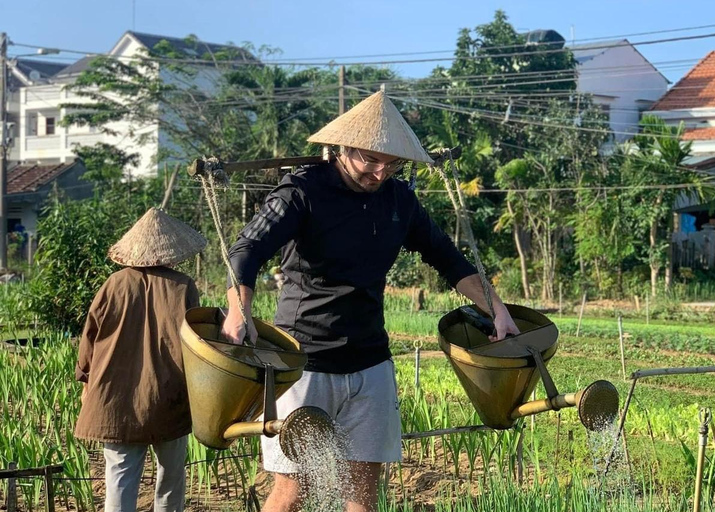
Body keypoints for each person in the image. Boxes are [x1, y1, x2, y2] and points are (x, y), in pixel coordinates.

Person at [222, 91, 519, 512]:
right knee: (294, 488)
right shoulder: (301, 192)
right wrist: (240, 311)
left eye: (392, 163)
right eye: (370, 160)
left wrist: (498, 309)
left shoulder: (399, 201)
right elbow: (246, 251)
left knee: (362, 493)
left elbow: (449, 260)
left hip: (370, 362)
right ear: (343, 148)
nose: (380, 173)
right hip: (304, 362)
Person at [74, 207, 207, 512]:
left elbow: (90, 340)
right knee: (171, 478)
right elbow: (195, 342)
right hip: (169, 393)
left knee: (120, 477)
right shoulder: (183, 285)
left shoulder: (114, 284)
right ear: (171, 250)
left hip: (115, 396)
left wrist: (86, 381)